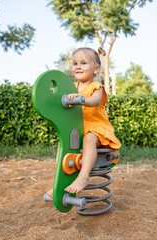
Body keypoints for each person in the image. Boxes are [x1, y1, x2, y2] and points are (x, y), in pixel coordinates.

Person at [45, 47, 121, 200]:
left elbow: (96, 100)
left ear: (96, 68)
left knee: (89, 138)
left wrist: (81, 99)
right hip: (78, 130)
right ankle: (59, 182)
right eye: (75, 63)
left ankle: (84, 176)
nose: (78, 66)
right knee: (63, 144)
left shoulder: (96, 87)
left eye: (83, 63)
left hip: (97, 130)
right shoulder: (70, 87)